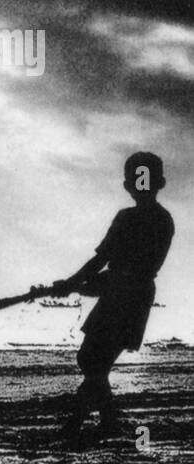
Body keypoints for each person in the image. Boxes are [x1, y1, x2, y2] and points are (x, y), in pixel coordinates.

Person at [52, 152, 174, 438]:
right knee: (94, 360)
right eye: (136, 178)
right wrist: (76, 284)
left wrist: (72, 283)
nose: (138, 184)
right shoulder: (162, 219)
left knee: (92, 360)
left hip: (124, 294)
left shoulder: (132, 218)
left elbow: (105, 260)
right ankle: (105, 421)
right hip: (130, 292)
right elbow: (117, 265)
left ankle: (81, 423)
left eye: (140, 178)